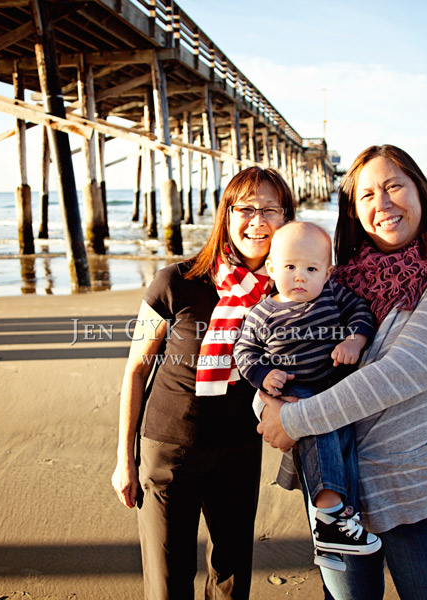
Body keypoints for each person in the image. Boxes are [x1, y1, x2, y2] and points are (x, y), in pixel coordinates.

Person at [257, 145, 427, 599]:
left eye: (393, 186)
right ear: (353, 211)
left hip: (417, 495)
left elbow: (397, 375)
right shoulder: (332, 283)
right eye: (366, 195)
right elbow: (276, 345)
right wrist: (265, 402)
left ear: (420, 192)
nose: (381, 204)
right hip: (338, 504)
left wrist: (294, 420)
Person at [111, 166, 295, 599]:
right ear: (226, 215)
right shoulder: (176, 282)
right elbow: (136, 369)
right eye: (246, 208)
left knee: (231, 580)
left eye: (270, 208)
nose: (258, 220)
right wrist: (125, 458)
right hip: (169, 447)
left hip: (239, 448)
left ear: (286, 217)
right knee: (167, 582)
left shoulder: (289, 291)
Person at [233, 221, 381, 571]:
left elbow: (362, 314)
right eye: (290, 267)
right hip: (293, 390)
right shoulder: (262, 313)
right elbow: (244, 351)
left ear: (328, 273)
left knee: (345, 447)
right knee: (322, 429)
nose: (300, 277)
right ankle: (329, 511)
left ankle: (335, 530)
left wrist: (354, 341)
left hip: (332, 385)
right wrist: (263, 374)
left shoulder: (333, 296)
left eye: (311, 269)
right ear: (271, 268)